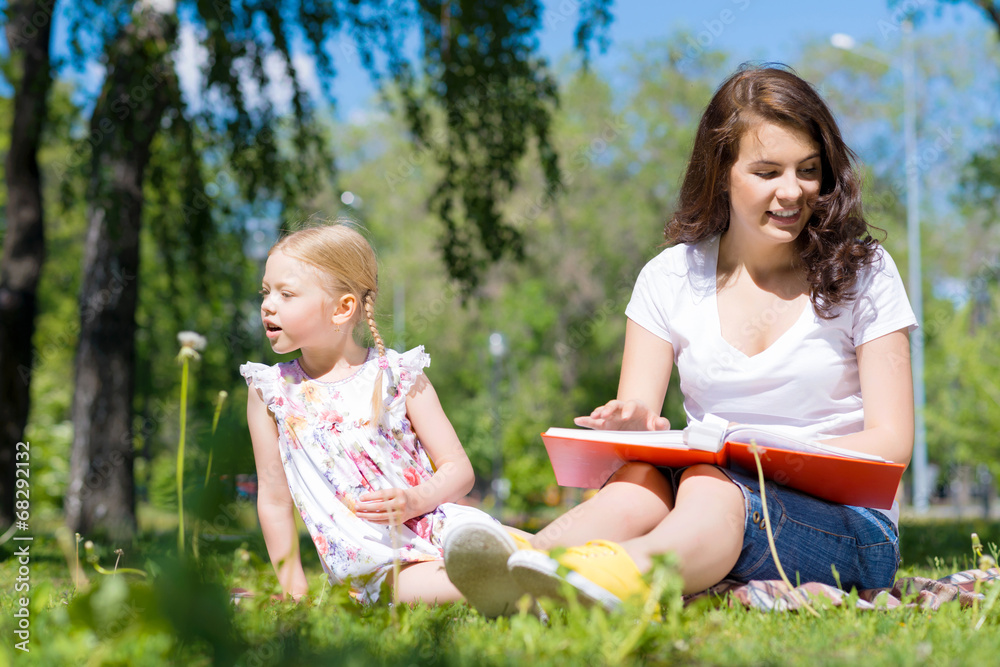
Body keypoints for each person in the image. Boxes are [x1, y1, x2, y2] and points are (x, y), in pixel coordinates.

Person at [446, 64, 917, 611]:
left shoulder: (865, 272)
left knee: (711, 483)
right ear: (722, 172)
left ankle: (614, 576)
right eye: (767, 172)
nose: (793, 192)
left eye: (808, 170)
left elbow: (891, 442)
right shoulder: (668, 277)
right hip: (705, 493)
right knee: (640, 478)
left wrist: (759, 456)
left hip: (848, 525)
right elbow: (640, 420)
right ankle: (526, 564)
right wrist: (629, 426)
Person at [241, 223, 528, 613]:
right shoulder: (270, 391)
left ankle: (598, 565)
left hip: (443, 527)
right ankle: (531, 583)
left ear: (343, 308)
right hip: (375, 566)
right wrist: (295, 594)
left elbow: (459, 470)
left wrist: (415, 499)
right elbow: (274, 502)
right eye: (266, 291)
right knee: (485, 577)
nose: (268, 305)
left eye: (286, 294)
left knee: (541, 550)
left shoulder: (398, 374)